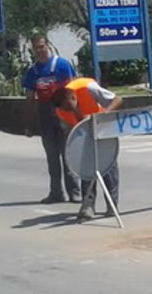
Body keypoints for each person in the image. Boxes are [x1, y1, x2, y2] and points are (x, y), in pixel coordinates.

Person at [53, 77, 123, 222]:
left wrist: (103, 114)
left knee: (108, 167)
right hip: (85, 135)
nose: (67, 110)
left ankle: (112, 205)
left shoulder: (88, 87)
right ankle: (88, 206)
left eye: (69, 105)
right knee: (86, 169)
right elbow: (71, 129)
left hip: (103, 129)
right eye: (65, 108)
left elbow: (117, 100)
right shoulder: (61, 110)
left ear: (73, 96)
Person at [22, 35, 81, 204]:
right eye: (36, 48)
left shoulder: (62, 65)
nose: (39, 50)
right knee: (52, 158)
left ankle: (74, 192)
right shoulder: (33, 71)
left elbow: (72, 90)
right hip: (45, 116)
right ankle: (56, 192)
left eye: (41, 46)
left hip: (64, 115)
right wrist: (29, 124)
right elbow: (29, 97)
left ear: (48, 45)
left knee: (67, 155)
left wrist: (75, 116)